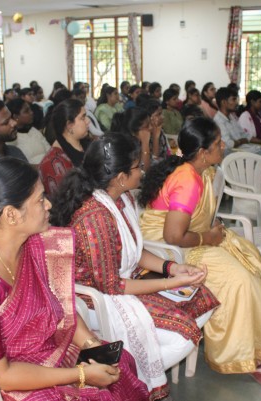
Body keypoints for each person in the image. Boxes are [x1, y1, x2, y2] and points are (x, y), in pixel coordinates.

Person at [0, 157, 149, 401]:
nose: (48, 204)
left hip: (37, 352)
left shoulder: (32, 244)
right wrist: (81, 375)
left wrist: (91, 345)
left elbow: (61, 306)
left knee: (119, 363)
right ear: (11, 215)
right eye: (40, 199)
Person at [50, 135, 219, 399]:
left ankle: (138, 367)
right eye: (138, 166)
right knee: (184, 335)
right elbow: (112, 286)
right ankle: (133, 374)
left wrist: (172, 268)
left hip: (123, 279)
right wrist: (171, 282)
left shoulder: (121, 198)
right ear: (120, 177)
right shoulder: (95, 216)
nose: (143, 170)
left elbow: (134, 251)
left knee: (202, 299)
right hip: (96, 299)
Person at [138, 117, 261, 389]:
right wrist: (209, 237)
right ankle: (242, 356)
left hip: (190, 240)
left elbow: (193, 219)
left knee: (248, 258)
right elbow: (173, 236)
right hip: (172, 251)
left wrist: (210, 231)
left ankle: (256, 338)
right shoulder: (187, 179)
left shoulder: (200, 170)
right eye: (218, 143)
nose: (224, 145)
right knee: (239, 281)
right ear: (203, 152)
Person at [39, 99, 90, 197]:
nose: (88, 121)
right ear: (69, 125)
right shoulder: (53, 163)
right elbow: (64, 201)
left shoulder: (87, 145)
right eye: (83, 118)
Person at [6, 98, 51, 166]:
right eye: (26, 111)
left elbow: (49, 150)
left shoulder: (33, 130)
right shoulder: (11, 138)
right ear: (16, 117)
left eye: (30, 109)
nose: (31, 112)